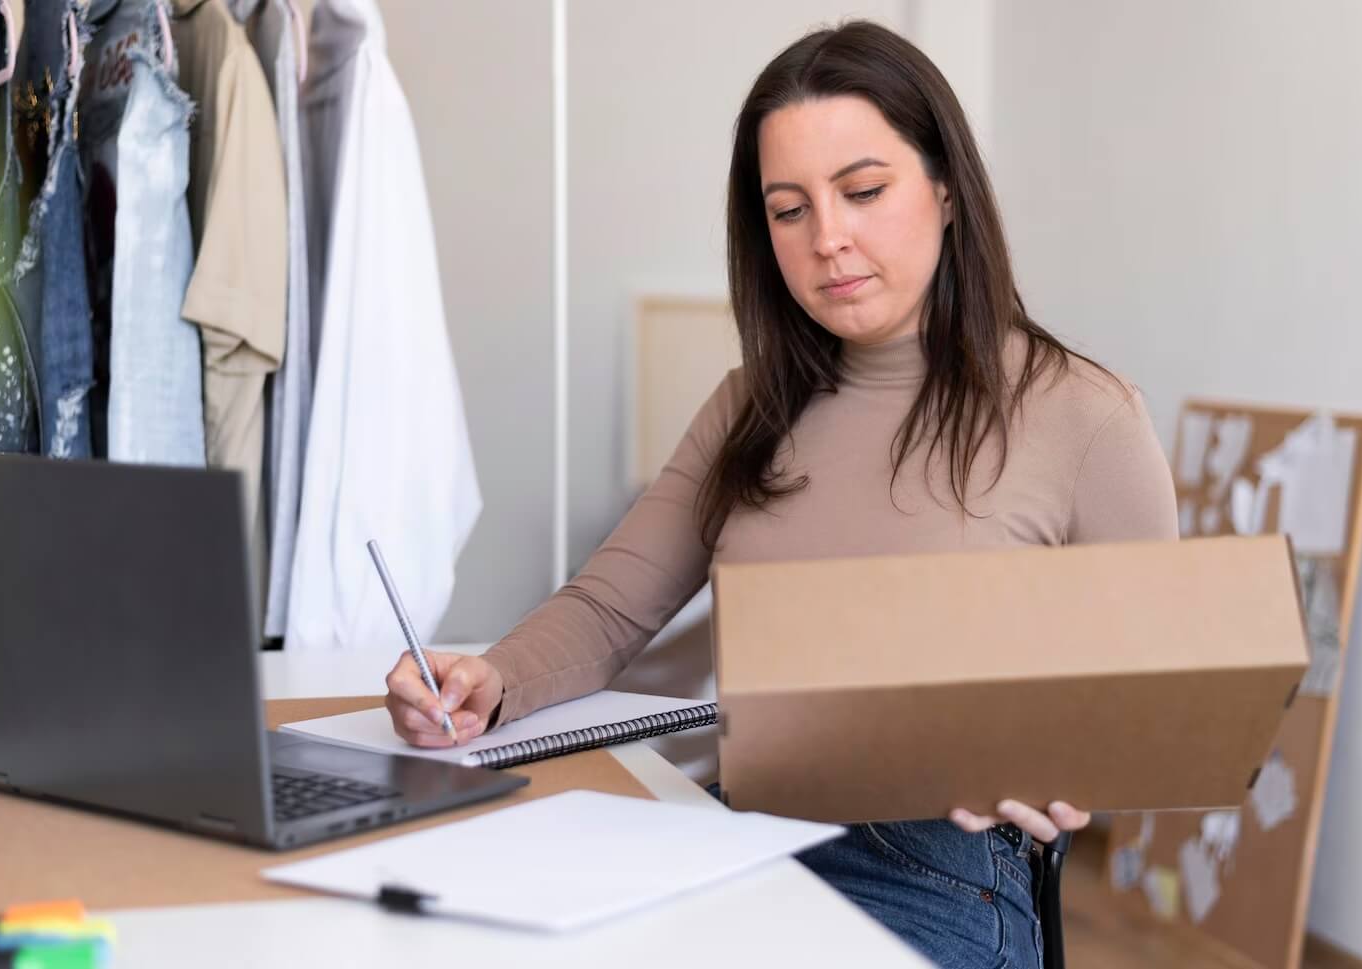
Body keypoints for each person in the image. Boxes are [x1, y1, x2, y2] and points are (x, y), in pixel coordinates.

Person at [384, 19, 1177, 968]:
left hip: (938, 863)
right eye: (788, 209)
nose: (827, 240)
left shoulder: (1083, 416)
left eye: (864, 191)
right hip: (739, 828)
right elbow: (606, 609)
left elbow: (1161, 705)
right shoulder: (748, 407)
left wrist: (1054, 756)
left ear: (948, 188)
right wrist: (489, 681)